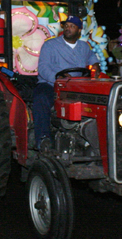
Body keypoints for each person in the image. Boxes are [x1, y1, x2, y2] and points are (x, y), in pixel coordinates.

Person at [32, 16, 100, 150]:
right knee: (41, 98)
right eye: (66, 25)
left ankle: (91, 139)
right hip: (52, 84)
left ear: (79, 30)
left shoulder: (83, 46)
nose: (68, 28)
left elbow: (91, 56)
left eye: (72, 26)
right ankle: (43, 139)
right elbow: (43, 68)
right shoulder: (50, 45)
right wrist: (59, 79)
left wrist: (95, 64)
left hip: (77, 87)